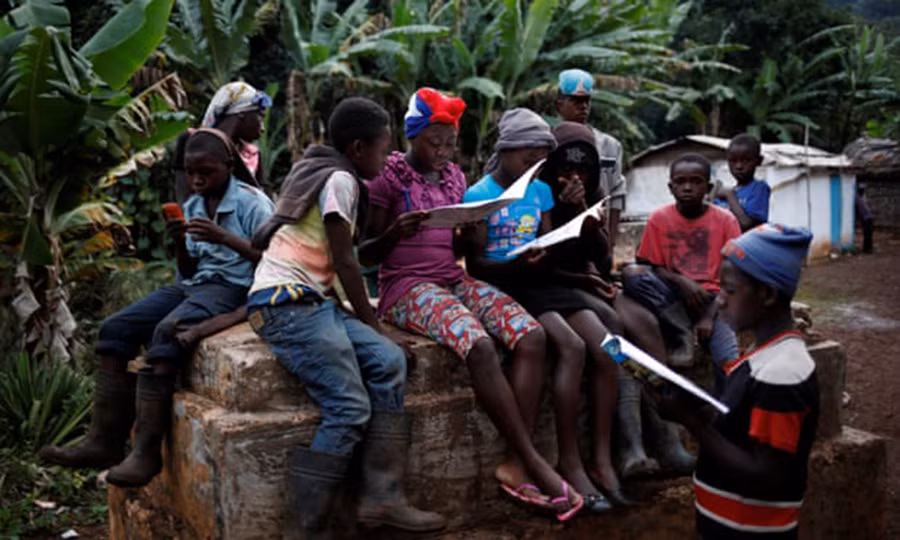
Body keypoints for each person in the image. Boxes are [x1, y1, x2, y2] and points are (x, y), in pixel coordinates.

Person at [359, 89, 583, 521]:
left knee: (531, 334)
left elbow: (459, 247)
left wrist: (472, 231)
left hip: (450, 276)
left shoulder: (455, 180)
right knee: (478, 344)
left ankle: (516, 464)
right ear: (413, 137)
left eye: (450, 143)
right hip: (404, 287)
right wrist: (395, 234)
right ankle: (532, 459)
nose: (443, 152)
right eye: (433, 142)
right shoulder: (387, 178)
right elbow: (365, 252)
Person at [245, 97, 446, 537]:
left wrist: (371, 330)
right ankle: (308, 528)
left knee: (388, 362)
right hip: (284, 303)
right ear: (357, 149)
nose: (388, 157)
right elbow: (346, 261)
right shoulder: (341, 180)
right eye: (382, 149)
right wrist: (376, 326)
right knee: (349, 406)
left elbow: (335, 263)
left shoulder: (332, 171)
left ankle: (382, 499)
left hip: (314, 302)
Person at [39, 129, 275, 488]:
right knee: (116, 328)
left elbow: (273, 261)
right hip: (196, 284)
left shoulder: (252, 203)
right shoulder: (195, 204)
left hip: (234, 287)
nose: (196, 179)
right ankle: (103, 440)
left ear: (229, 166)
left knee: (168, 331)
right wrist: (181, 240)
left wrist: (225, 237)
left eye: (205, 172)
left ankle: (146, 452)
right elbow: (191, 270)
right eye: (190, 172)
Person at [463, 108, 625, 511]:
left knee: (607, 345)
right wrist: (518, 264)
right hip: (509, 284)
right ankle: (569, 461)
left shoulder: (540, 191)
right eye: (527, 159)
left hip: (543, 280)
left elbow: (548, 245)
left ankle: (602, 460)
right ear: (505, 151)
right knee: (570, 346)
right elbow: (477, 264)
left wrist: (584, 225)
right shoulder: (480, 195)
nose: (534, 168)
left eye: (540, 161)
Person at [545, 122, 695, 481]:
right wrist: (586, 276)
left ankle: (662, 434)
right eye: (566, 168)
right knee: (617, 336)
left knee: (643, 324)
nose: (574, 176)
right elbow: (544, 262)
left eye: (583, 169)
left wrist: (585, 212)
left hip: (590, 280)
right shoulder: (538, 195)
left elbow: (602, 256)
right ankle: (630, 446)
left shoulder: (593, 192)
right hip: (558, 285)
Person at [649, 224, 818, 539]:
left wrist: (690, 421)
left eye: (729, 291)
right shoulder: (761, 356)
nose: (720, 301)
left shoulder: (781, 373)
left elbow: (766, 475)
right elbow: (739, 429)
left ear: (766, 294)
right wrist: (694, 402)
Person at [622, 153, 741, 390]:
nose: (687, 188)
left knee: (728, 361)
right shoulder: (659, 218)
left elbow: (736, 275)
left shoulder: (726, 221)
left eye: (696, 182)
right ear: (671, 186)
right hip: (673, 299)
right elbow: (651, 265)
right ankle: (682, 331)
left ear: (708, 187)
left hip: (714, 301)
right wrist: (682, 281)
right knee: (631, 274)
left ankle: (727, 419)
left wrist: (709, 315)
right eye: (680, 182)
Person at [555, 68, 627, 252]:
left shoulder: (609, 145)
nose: (583, 106)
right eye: (576, 100)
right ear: (559, 104)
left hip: (596, 228)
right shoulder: (548, 143)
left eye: (587, 101)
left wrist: (609, 243)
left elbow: (616, 194)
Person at [174, 82, 273, 204]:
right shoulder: (193, 141)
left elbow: (262, 193)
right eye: (260, 118)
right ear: (242, 114)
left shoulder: (251, 153)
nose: (262, 128)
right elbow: (183, 192)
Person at [713, 133, 771, 232]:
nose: (739, 166)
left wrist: (730, 195)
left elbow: (746, 224)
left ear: (759, 161)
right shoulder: (722, 193)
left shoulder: (758, 188)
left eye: (746, 160)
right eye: (733, 161)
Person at [855, 182, 874, 253]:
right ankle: (867, 249)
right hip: (865, 218)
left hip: (869, 217)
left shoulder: (863, 196)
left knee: (869, 234)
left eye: (863, 189)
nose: (863, 190)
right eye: (861, 189)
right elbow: (857, 209)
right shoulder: (857, 197)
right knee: (867, 234)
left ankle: (868, 248)